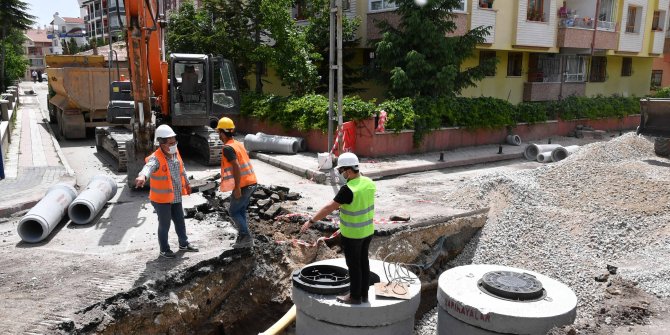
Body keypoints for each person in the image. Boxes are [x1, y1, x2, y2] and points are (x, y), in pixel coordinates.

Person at [300, 152, 376, 305]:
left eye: (341, 171)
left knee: (354, 266)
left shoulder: (348, 190)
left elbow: (329, 207)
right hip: (367, 231)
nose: (341, 174)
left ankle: (355, 297)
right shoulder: (369, 182)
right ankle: (364, 293)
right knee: (363, 262)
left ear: (348, 170)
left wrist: (311, 221)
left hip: (353, 235)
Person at [135, 124, 199, 259]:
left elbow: (182, 168)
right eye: (170, 143)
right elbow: (148, 167)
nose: (174, 144)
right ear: (161, 143)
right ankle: (164, 250)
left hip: (175, 196)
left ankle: (183, 244)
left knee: (180, 221)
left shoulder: (175, 152)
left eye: (175, 141)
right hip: (161, 199)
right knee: (165, 224)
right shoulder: (156, 158)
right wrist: (142, 176)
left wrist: (187, 182)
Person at [216, 117, 258, 248]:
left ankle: (246, 237)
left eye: (219, 132)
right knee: (240, 211)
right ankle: (243, 236)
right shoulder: (237, 144)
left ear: (222, 133)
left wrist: (238, 188)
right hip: (251, 182)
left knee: (233, 212)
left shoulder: (228, 148)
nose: (219, 135)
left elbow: (236, 167)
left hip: (243, 185)